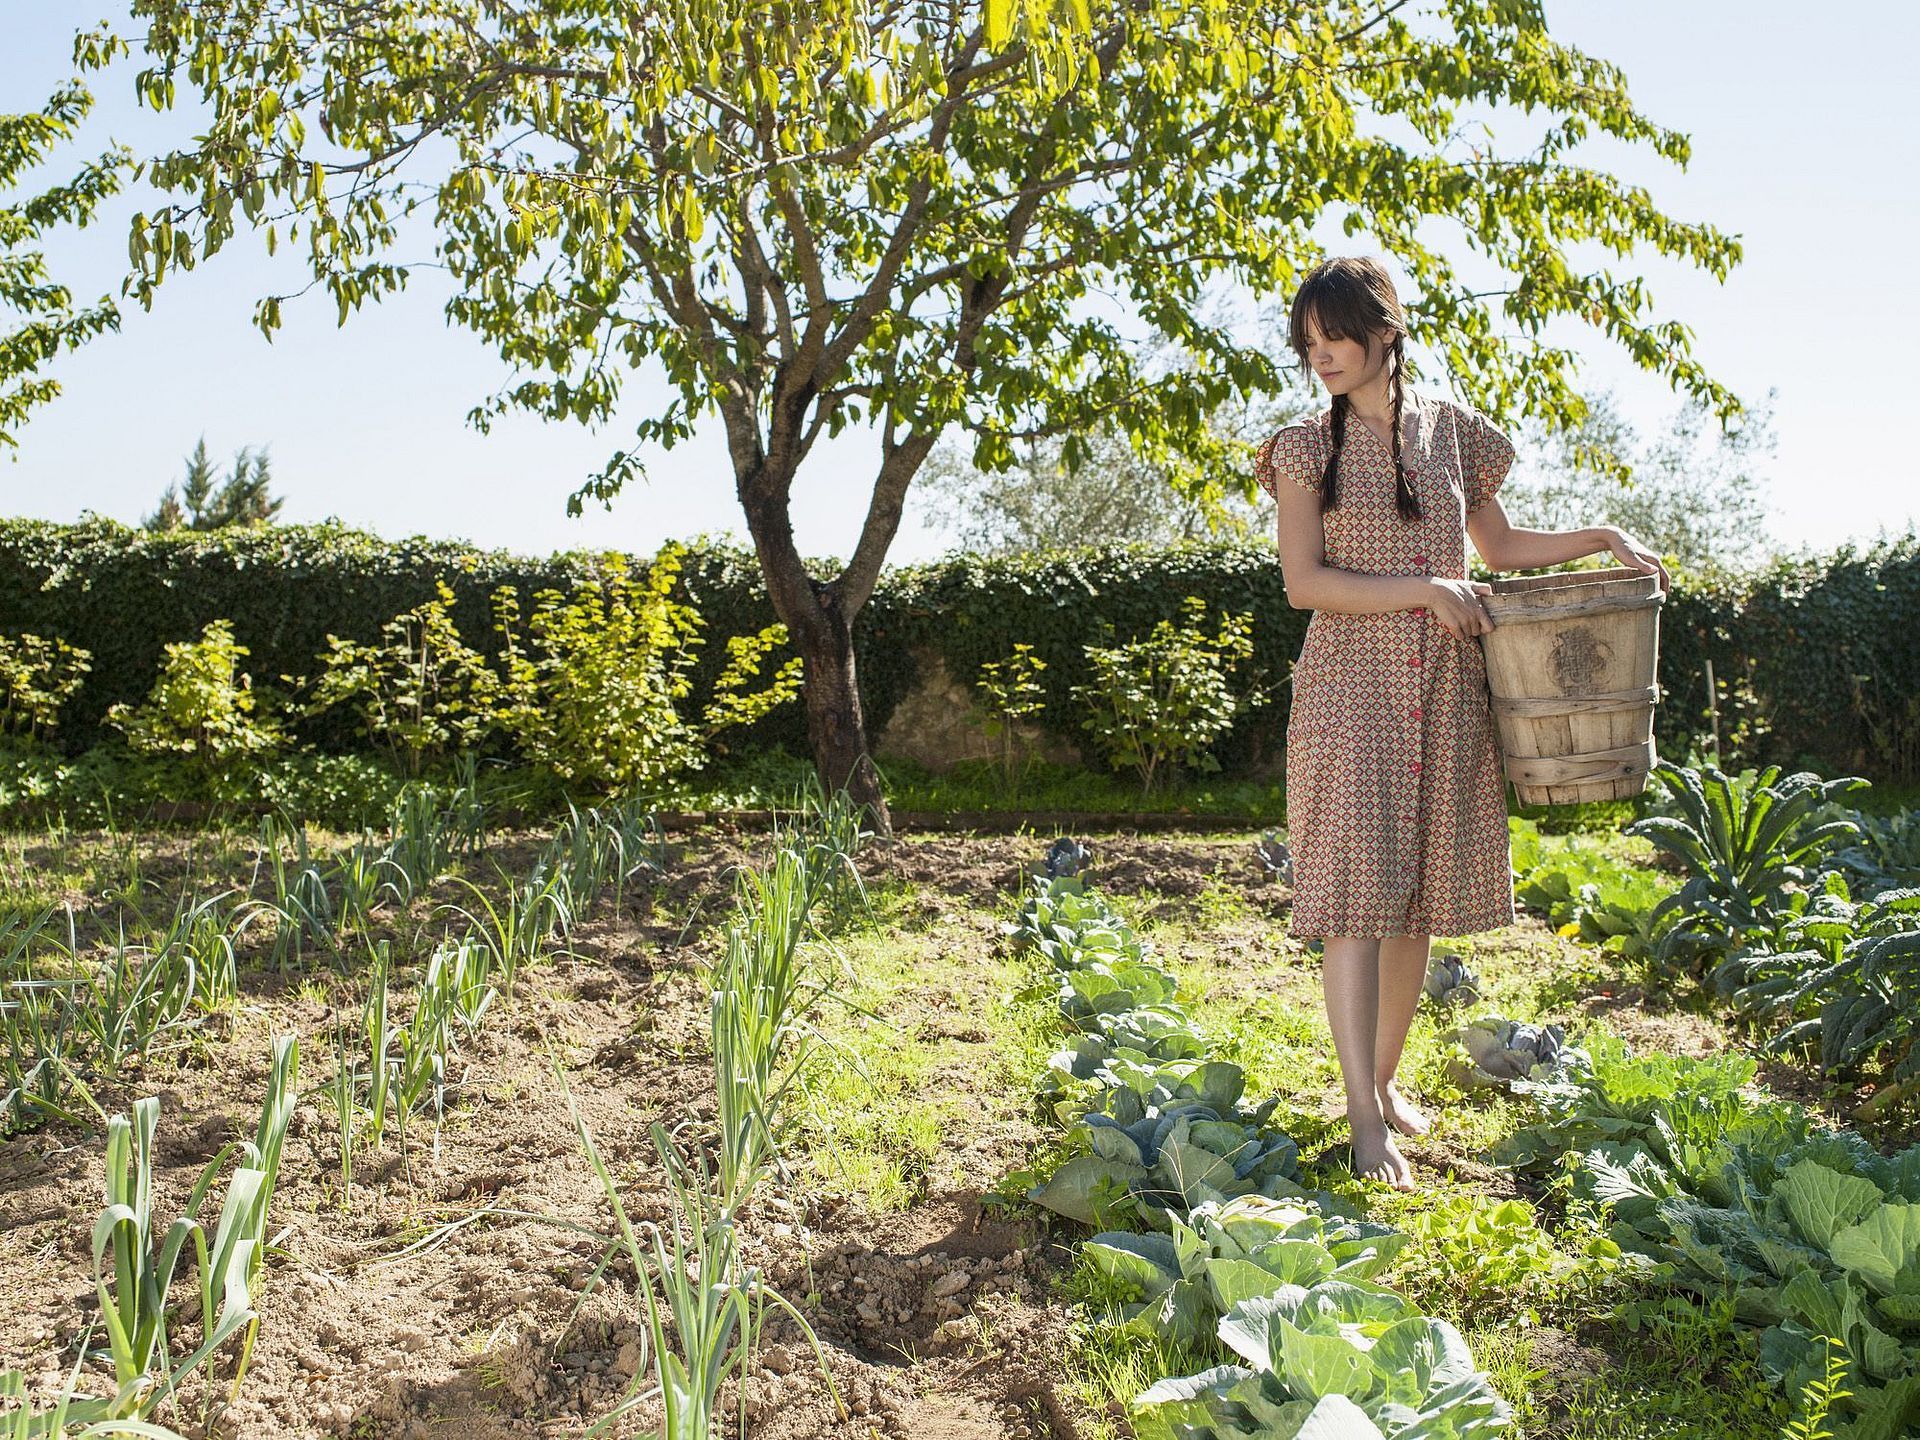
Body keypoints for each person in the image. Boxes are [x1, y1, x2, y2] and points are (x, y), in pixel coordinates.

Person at [1252, 256, 1668, 1190]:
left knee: (1416, 905)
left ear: (1385, 330)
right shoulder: (1301, 450)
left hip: (1445, 690)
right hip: (1350, 689)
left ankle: (1385, 1081)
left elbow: (1503, 548)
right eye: (1308, 343)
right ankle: (1362, 1117)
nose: (1321, 356)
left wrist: (1602, 535)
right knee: (1358, 898)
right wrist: (1425, 590)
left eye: (1337, 338)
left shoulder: (1452, 435)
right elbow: (1303, 583)